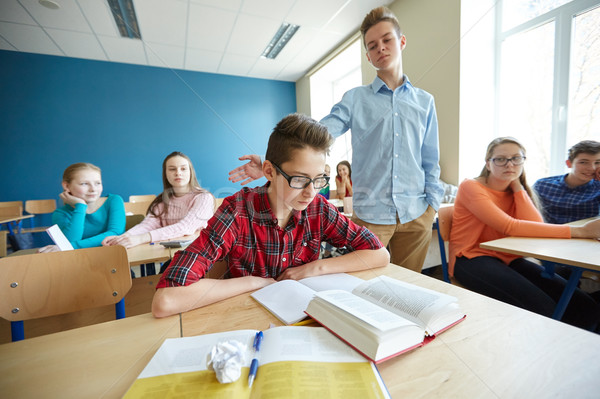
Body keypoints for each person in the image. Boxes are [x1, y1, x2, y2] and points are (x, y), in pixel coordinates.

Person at [228, 7, 443, 272]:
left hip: (417, 213)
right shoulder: (355, 99)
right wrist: (272, 163)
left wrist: (431, 205)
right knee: (366, 287)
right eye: (373, 45)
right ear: (368, 55)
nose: (381, 49)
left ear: (401, 41)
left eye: (387, 40)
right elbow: (317, 134)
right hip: (372, 215)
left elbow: (430, 158)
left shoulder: (425, 101)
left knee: (410, 287)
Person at [152, 113, 390, 318]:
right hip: (244, 319)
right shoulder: (238, 211)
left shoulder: (318, 208)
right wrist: (254, 282)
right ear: (269, 172)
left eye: (319, 179)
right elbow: (166, 300)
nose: (311, 192)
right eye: (299, 179)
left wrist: (314, 268)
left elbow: (380, 254)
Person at [449, 137, 600, 330]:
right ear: (488, 164)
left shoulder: (514, 189)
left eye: (516, 158)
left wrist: (518, 187)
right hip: (471, 257)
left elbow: (533, 226)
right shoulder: (471, 186)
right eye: (500, 159)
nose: (509, 164)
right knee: (543, 308)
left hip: (508, 258)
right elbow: (509, 226)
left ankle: (570, 351)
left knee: (586, 307)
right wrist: (579, 231)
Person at [103, 152, 214, 249]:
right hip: (173, 254)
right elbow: (148, 225)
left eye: (183, 169)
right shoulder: (162, 200)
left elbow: (185, 227)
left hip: (199, 253)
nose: (178, 173)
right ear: (165, 173)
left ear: (191, 172)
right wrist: (122, 238)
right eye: (172, 169)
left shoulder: (203, 197)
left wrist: (140, 239)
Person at [38, 162, 125, 252]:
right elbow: (69, 243)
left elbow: (115, 233)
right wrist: (80, 207)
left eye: (97, 183)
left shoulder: (114, 200)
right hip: (80, 260)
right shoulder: (60, 214)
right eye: (84, 184)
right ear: (66, 186)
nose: (93, 189)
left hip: (113, 256)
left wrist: (73, 246)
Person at [533, 140, 600, 224]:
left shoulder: (598, 189)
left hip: (583, 236)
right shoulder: (542, 186)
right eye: (583, 162)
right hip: (546, 234)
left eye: (597, 162)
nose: (592, 168)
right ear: (569, 163)